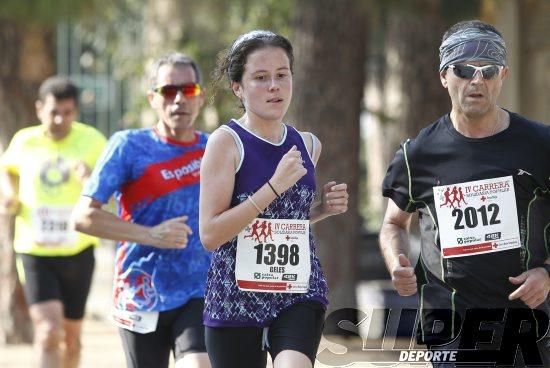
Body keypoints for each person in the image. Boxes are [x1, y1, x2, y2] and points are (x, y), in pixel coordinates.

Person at [379, 20, 550, 367]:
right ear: (444, 76)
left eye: (488, 70)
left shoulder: (540, 144)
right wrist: (396, 262)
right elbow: (394, 224)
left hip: (532, 324)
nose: (477, 81)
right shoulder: (417, 154)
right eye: (463, 70)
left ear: (503, 75)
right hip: (452, 326)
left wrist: (547, 273)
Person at [199, 30, 349, 368]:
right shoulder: (226, 143)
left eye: (282, 75)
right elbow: (210, 235)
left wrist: (321, 210)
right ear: (238, 87)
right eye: (261, 77)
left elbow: (281, 224)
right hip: (235, 296)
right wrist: (273, 186)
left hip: (296, 289)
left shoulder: (308, 144)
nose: (274, 86)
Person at [71, 53, 211, 368]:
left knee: (199, 364)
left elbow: (248, 210)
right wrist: (151, 235)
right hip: (141, 289)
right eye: (168, 91)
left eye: (188, 90)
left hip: (200, 289)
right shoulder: (128, 146)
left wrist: (315, 211)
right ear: (152, 98)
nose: (178, 100)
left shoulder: (216, 147)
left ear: (200, 97)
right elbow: (82, 217)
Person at [0, 76, 107, 368]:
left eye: (67, 112)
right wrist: (9, 195)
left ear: (75, 112)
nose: (60, 119)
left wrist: (92, 181)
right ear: (39, 109)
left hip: (79, 250)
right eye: (53, 112)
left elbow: (113, 189)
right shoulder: (25, 140)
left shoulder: (93, 140)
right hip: (35, 250)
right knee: (48, 332)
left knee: (71, 339)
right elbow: (7, 169)